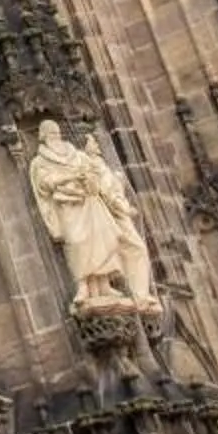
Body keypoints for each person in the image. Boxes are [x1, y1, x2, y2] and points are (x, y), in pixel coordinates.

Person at [30, 119, 157, 311]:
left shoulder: (77, 155)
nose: (55, 137)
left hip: (89, 201)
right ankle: (83, 286)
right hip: (68, 206)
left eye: (57, 133)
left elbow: (93, 173)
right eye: (50, 134)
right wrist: (71, 177)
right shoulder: (39, 161)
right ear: (43, 137)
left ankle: (104, 285)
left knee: (102, 239)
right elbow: (44, 184)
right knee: (76, 242)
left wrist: (90, 178)